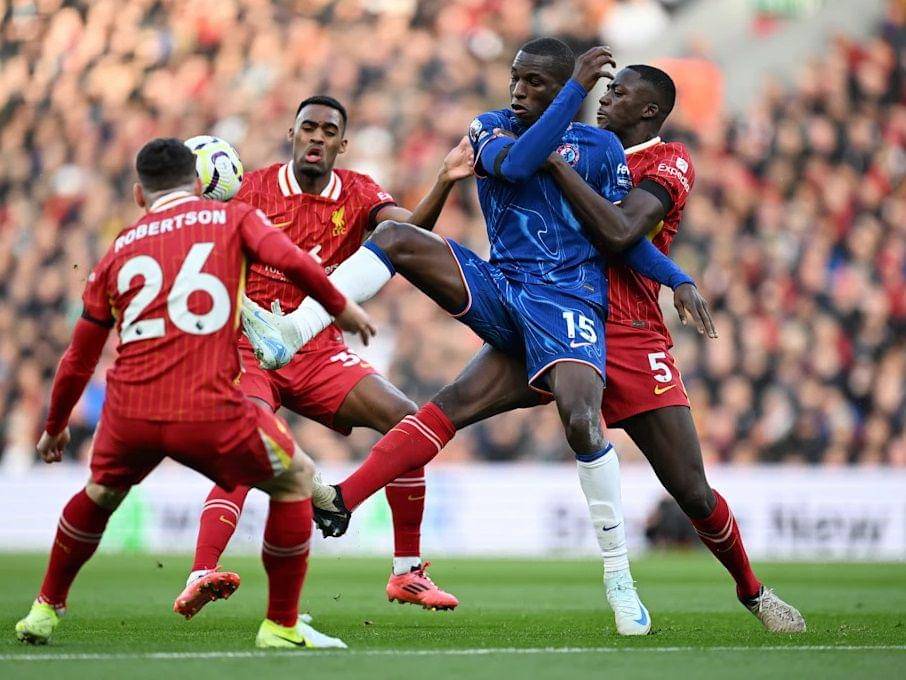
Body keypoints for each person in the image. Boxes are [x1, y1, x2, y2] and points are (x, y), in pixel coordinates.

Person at [244, 39, 712, 636]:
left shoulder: (599, 148)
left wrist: (675, 277)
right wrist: (570, 95)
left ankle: (619, 580)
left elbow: (620, 236)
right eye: (516, 78)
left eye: (535, 83)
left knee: (579, 420)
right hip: (503, 284)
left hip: (568, 299)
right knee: (397, 239)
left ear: (560, 89)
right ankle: (294, 330)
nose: (518, 91)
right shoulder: (489, 126)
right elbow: (514, 167)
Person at [14, 138, 374, 649]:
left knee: (100, 494)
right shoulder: (233, 218)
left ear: (139, 195)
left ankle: (44, 610)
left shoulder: (118, 251)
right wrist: (340, 305)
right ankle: (281, 625)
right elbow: (291, 259)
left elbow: (78, 358)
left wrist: (54, 428)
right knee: (296, 480)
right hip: (207, 404)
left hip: (130, 410)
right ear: (199, 182)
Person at [174, 97, 472, 618]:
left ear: (342, 144)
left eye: (328, 131)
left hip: (318, 350)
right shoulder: (251, 188)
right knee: (247, 439)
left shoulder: (359, 193)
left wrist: (444, 180)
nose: (317, 137)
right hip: (250, 348)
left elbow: (409, 237)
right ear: (292, 134)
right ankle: (201, 572)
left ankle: (407, 572)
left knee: (406, 419)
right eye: (308, 127)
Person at [541, 64, 805, 633]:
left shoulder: (669, 161)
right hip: (558, 317)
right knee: (456, 406)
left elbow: (621, 231)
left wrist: (554, 164)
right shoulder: (581, 147)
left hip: (632, 333)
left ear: (650, 111)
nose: (605, 99)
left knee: (691, 490)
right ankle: (395, 545)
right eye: (606, 89)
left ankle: (753, 591)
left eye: (619, 92)